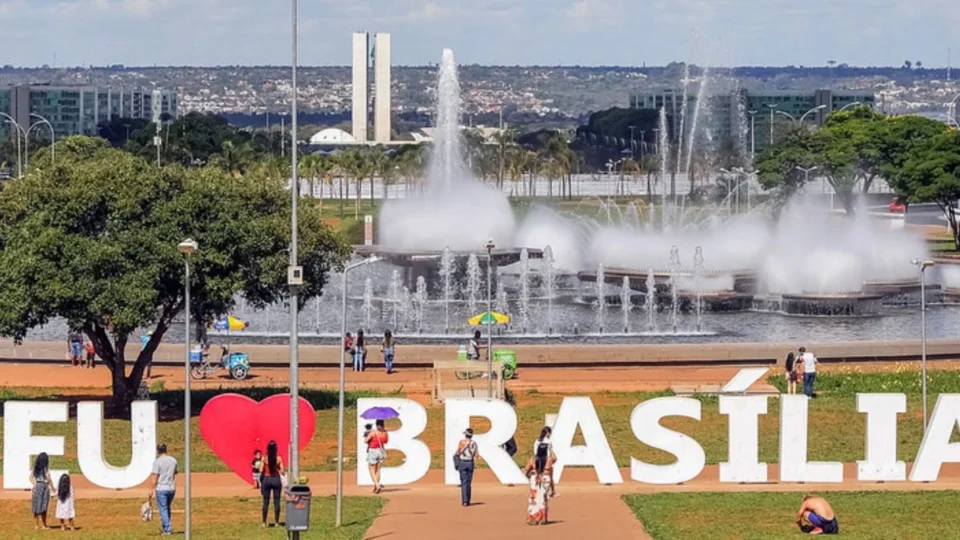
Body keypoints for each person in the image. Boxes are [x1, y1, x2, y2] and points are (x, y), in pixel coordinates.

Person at [151, 443, 177, 536]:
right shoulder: (173, 460)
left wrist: (151, 490)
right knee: (167, 508)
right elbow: (174, 473)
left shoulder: (157, 462)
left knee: (163, 509)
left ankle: (167, 529)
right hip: (171, 488)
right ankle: (165, 526)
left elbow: (155, 476)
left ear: (158, 451)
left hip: (161, 488)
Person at [257, 440, 284, 528]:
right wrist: (279, 469)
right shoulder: (278, 459)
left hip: (267, 479)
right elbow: (282, 471)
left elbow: (261, 470)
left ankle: (264, 522)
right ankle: (276, 522)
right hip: (276, 479)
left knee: (266, 502)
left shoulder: (264, 458)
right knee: (277, 501)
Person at [525, 443, 551, 525]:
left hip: (535, 479)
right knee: (543, 498)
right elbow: (555, 458)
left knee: (533, 498)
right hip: (544, 479)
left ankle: (532, 517)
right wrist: (551, 449)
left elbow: (526, 469)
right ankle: (542, 518)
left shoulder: (533, 459)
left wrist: (529, 476)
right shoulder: (548, 460)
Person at [30, 452, 56, 530]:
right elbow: (49, 479)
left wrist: (35, 484)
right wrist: (53, 488)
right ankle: (44, 525)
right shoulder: (46, 469)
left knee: (36, 506)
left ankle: (36, 525)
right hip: (44, 487)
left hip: (37, 486)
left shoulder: (36, 468)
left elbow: (30, 477)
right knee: (44, 506)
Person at [455, 428, 480, 507]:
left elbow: (458, 452)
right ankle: (468, 500)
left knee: (464, 482)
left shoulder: (462, 442)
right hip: (470, 463)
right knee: (469, 483)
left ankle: (465, 501)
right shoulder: (474, 443)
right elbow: (476, 455)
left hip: (463, 463)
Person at [365, 419, 388, 494]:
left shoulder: (373, 432)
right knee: (378, 469)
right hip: (380, 451)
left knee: (371, 469)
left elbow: (366, 440)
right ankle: (376, 485)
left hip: (373, 451)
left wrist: (369, 436)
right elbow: (385, 441)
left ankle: (377, 485)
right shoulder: (385, 433)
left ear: (377, 424)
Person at [533, 426, 557, 497]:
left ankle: (538, 490)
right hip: (547, 460)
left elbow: (535, 451)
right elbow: (549, 451)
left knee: (539, 475)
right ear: (548, 433)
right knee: (550, 477)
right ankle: (552, 492)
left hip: (538, 460)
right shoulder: (548, 441)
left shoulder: (537, 441)